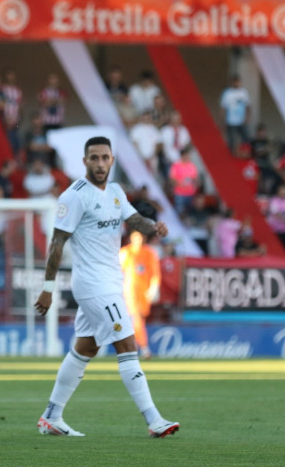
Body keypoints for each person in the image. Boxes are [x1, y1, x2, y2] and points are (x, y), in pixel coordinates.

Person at [34, 136, 179, 438]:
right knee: (127, 344)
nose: (100, 163)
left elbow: (134, 220)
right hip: (92, 284)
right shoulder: (74, 196)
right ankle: (154, 420)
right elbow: (57, 243)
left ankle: (52, 416)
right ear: (85, 161)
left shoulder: (115, 192)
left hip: (112, 281)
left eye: (105, 158)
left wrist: (154, 227)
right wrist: (48, 287)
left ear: (112, 160)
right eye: (94, 158)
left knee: (85, 347)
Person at [119, 231, 161, 359]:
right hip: (129, 291)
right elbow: (118, 271)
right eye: (136, 237)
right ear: (131, 238)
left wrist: (154, 287)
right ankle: (144, 348)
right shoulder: (126, 252)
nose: (139, 240)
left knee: (139, 320)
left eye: (141, 237)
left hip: (144, 292)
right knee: (136, 318)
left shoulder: (149, 253)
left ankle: (132, 347)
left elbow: (155, 272)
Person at [220, 75, 250, 152]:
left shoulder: (243, 92)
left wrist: (246, 118)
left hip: (241, 120)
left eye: (238, 81)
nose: (237, 83)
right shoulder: (227, 93)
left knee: (245, 138)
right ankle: (232, 154)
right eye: (235, 82)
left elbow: (248, 106)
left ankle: (244, 153)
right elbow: (223, 107)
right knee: (231, 140)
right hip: (230, 120)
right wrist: (223, 121)